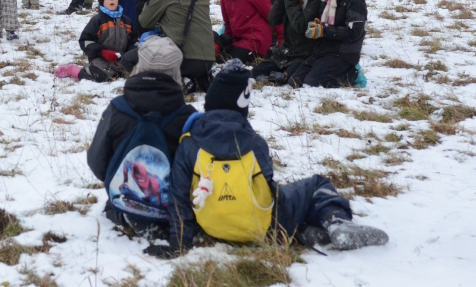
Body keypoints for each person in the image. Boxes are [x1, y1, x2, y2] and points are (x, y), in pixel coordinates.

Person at [148, 61, 388, 258]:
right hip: (260, 226)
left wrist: (178, 243)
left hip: (212, 224)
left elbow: (179, 197)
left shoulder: (189, 141)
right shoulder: (255, 143)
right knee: (315, 186)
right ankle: (335, 222)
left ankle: (308, 230)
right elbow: (266, 185)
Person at [87, 36, 198, 233]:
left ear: (140, 65)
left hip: (122, 204)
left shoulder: (117, 110)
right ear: (176, 72)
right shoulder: (188, 117)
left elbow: (97, 162)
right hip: (174, 210)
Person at [137, 0, 215, 92]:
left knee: (131, 58)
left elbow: (144, 21)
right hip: (208, 59)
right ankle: (194, 78)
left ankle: (181, 80)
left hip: (182, 58)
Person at [288, 0, 367, 88]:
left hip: (343, 53)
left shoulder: (354, 0)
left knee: (311, 83)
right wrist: (316, 26)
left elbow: (354, 32)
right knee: (295, 81)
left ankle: (351, 75)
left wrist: (324, 31)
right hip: (324, 50)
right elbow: (323, 25)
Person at [253, 0, 328, 83]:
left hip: (304, 54)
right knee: (255, 72)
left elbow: (300, 26)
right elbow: (273, 19)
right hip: (286, 51)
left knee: (289, 78)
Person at [55, 0, 138, 82]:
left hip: (122, 61)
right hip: (101, 61)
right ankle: (74, 70)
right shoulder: (98, 20)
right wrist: (102, 52)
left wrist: (128, 55)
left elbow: (134, 40)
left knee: (133, 76)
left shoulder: (126, 21)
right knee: (100, 78)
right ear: (102, 1)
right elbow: (85, 41)